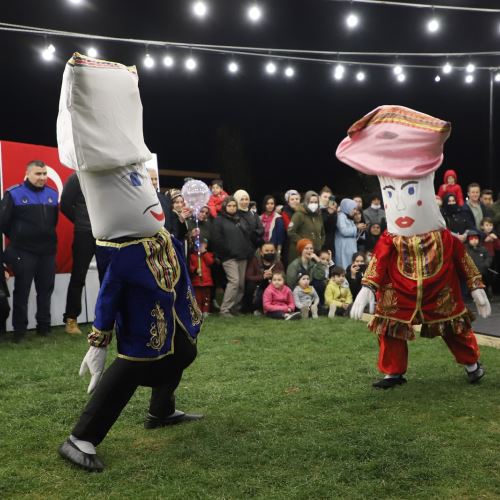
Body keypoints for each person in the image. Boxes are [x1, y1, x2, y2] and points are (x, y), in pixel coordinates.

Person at [57, 52, 202, 472]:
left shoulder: (162, 232)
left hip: (172, 311)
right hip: (141, 321)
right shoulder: (120, 253)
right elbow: (108, 295)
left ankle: (161, 411)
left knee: (184, 352)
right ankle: (80, 438)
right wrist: (99, 343)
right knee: (130, 370)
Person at [337, 105, 490, 390]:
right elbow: (379, 262)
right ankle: (393, 372)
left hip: (439, 287)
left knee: (455, 327)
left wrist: (477, 287)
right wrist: (366, 289)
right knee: (390, 326)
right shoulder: (390, 238)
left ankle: (472, 364)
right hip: (399, 288)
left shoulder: (442, 237)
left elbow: (462, 258)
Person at [0, 160, 58, 343]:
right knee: (22, 291)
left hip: (47, 251)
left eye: (44, 174)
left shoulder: (52, 194)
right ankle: (19, 332)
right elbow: (3, 223)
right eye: (38, 174)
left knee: (45, 290)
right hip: (23, 251)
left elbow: (53, 222)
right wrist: (18, 237)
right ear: (27, 174)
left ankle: (44, 328)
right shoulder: (14, 194)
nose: (42, 177)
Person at [60, 173, 96, 335]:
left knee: (109, 277)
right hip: (84, 233)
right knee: (78, 277)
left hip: (106, 233)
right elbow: (65, 204)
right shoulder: (77, 177)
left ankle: (109, 318)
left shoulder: (106, 174)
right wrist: (81, 220)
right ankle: (71, 319)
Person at [211, 197, 254, 317]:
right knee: (234, 281)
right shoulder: (219, 220)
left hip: (242, 255)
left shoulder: (240, 219)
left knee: (241, 284)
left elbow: (248, 235)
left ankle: (234, 308)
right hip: (228, 257)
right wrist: (224, 252)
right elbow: (216, 239)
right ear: (225, 207)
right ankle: (224, 309)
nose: (232, 208)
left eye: (234, 206)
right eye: (229, 206)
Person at [245, 241, 285, 314]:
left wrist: (273, 276)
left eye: (272, 251)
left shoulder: (278, 262)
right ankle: (251, 308)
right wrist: (262, 276)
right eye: (266, 251)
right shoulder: (255, 260)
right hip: (258, 286)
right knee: (250, 285)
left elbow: (283, 277)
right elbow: (248, 276)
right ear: (261, 252)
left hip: (272, 286)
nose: (269, 253)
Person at [287, 190, 325, 262]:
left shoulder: (318, 216)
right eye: (311, 202)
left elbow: (323, 233)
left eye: (316, 202)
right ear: (306, 202)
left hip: (314, 253)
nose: (313, 204)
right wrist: (304, 244)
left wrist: (320, 244)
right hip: (299, 253)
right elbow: (291, 232)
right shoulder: (299, 215)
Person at [189, 238, 214, 318]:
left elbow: (210, 262)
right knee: (197, 298)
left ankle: (205, 311)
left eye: (202, 244)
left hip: (206, 282)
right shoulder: (192, 256)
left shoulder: (209, 254)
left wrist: (204, 253)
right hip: (196, 282)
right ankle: (198, 311)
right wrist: (195, 270)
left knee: (206, 298)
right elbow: (190, 266)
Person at [233, 189, 264, 254]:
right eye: (242, 199)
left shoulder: (253, 213)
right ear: (236, 200)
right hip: (240, 251)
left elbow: (261, 229)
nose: (245, 202)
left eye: (246, 199)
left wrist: (254, 233)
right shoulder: (234, 215)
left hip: (254, 249)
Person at [465, 231, 493, 296]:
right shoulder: (466, 250)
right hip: (472, 274)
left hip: (483, 272)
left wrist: (486, 264)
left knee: (485, 284)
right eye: (471, 239)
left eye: (476, 238)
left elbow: (489, 257)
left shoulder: (483, 249)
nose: (474, 241)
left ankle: (487, 293)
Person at [334, 198, 359, 270]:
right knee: (344, 267)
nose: (355, 211)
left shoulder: (348, 217)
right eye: (353, 209)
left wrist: (359, 229)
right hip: (343, 248)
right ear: (347, 207)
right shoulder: (341, 216)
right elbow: (344, 231)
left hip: (349, 248)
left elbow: (353, 235)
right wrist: (356, 228)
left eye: (355, 209)